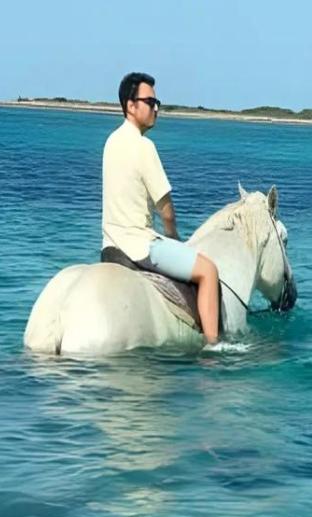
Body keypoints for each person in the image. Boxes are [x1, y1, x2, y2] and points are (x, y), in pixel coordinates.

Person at [102, 72, 221, 343]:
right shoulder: (144, 146)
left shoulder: (111, 142)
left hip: (110, 246)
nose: (156, 108)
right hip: (139, 246)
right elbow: (165, 208)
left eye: (157, 103)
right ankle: (213, 348)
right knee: (208, 271)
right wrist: (173, 236)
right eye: (150, 102)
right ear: (130, 105)